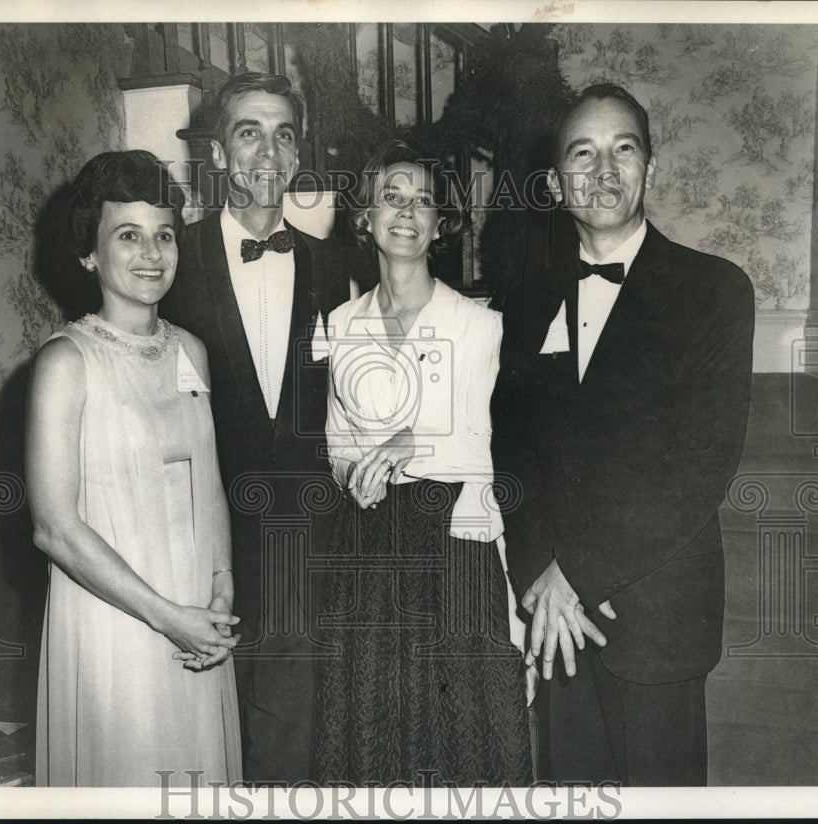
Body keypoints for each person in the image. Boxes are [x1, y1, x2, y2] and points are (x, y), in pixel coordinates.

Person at [491, 83, 754, 786]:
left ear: (651, 169)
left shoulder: (715, 291)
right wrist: (537, 577)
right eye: (584, 152)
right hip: (559, 623)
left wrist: (576, 573)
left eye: (624, 149)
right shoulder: (522, 302)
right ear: (553, 183)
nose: (605, 171)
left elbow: (701, 465)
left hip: (657, 619)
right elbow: (511, 453)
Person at [159, 73, 364, 783]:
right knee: (192, 724)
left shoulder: (340, 268)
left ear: (299, 155)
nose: (267, 152)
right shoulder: (168, 260)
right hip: (191, 533)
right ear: (218, 154)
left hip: (302, 537)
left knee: (287, 727)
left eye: (284, 134)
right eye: (249, 131)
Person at [311, 140, 533, 786]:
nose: (407, 212)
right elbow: (337, 442)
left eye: (424, 201)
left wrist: (411, 444)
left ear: (440, 225)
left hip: (458, 550)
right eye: (392, 197)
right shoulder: (341, 323)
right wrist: (356, 473)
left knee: (466, 738)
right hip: (372, 553)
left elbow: (491, 444)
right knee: (376, 740)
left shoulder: (478, 324)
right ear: (366, 218)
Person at [27, 150, 241, 786]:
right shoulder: (65, 363)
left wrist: (221, 588)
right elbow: (54, 528)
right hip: (114, 620)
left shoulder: (192, 351)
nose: (151, 252)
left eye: (164, 234)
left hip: (196, 617)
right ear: (90, 254)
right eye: (128, 235)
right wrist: (165, 615)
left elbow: (210, 484)